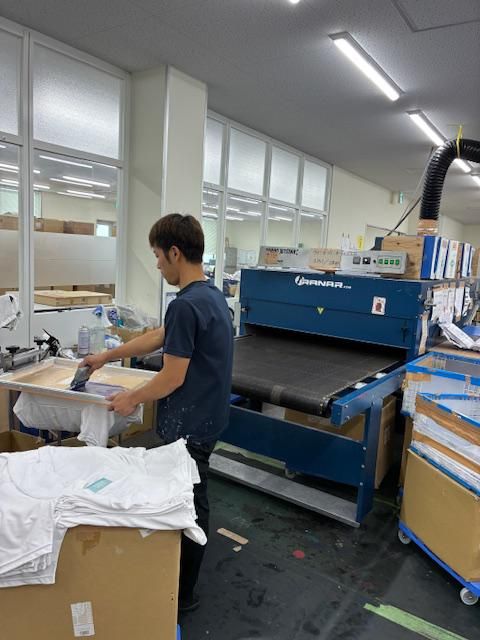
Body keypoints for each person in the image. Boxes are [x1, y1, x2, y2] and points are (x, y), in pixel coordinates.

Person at [81, 213, 234, 613]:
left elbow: (171, 378)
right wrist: (108, 356)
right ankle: (179, 577)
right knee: (190, 494)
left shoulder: (186, 305)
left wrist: (131, 398)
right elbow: (158, 337)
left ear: (174, 252)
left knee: (190, 501)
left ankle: (182, 595)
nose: (157, 265)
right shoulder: (209, 296)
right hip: (209, 416)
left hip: (191, 424)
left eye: (157, 256)